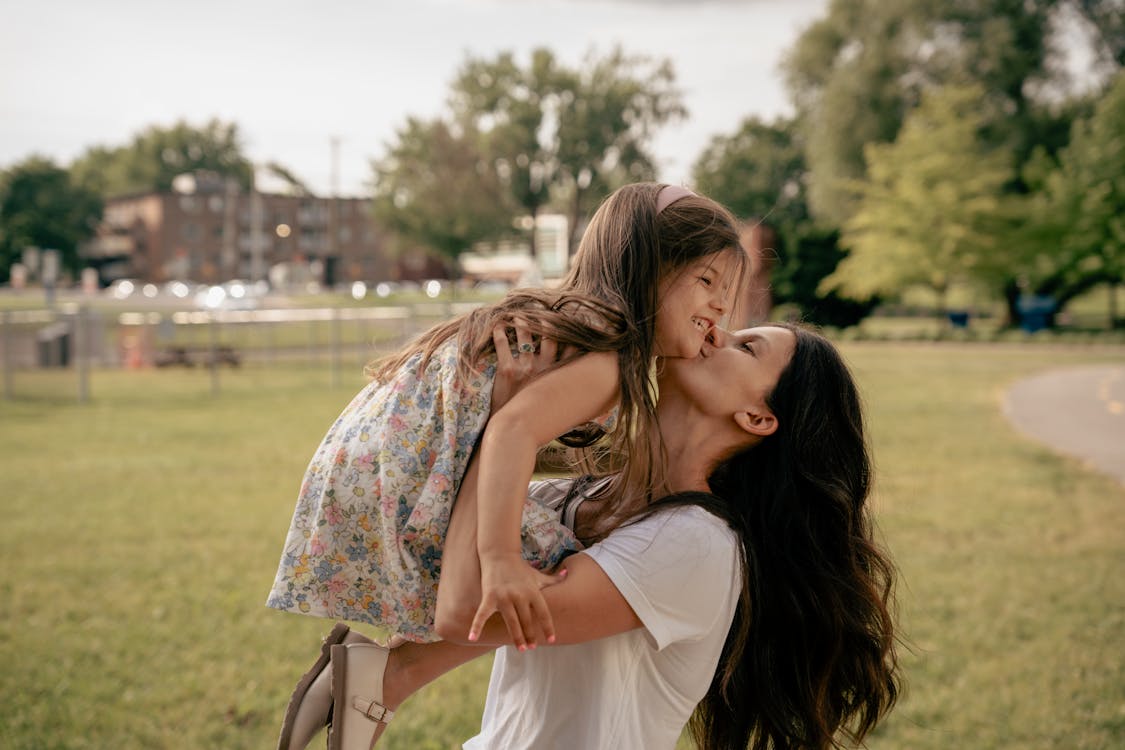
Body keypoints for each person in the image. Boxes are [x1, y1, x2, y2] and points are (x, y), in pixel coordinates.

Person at [268, 183, 749, 749]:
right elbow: (512, 431)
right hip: (400, 463)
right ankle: (380, 679)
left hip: (372, 450)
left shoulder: (584, 331)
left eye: (728, 291)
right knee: (558, 562)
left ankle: (378, 680)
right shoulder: (609, 361)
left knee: (551, 539)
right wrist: (498, 558)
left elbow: (531, 433)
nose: (721, 307)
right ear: (646, 270)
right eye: (706, 282)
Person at [313, 323, 902, 750]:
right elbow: (442, 561)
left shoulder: (696, 544)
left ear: (758, 416)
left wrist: (504, 425)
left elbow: (468, 609)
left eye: (747, 348)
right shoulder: (588, 501)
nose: (716, 333)